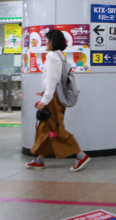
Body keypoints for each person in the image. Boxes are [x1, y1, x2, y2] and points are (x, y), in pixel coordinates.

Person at [26, 29, 90, 172]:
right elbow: (58, 80)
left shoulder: (51, 56)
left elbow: (52, 80)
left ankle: (81, 156)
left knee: (56, 129)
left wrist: (45, 98)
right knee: (45, 128)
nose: (46, 43)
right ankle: (39, 160)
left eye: (47, 40)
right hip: (58, 97)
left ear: (52, 42)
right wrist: (47, 93)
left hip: (53, 99)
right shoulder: (61, 56)